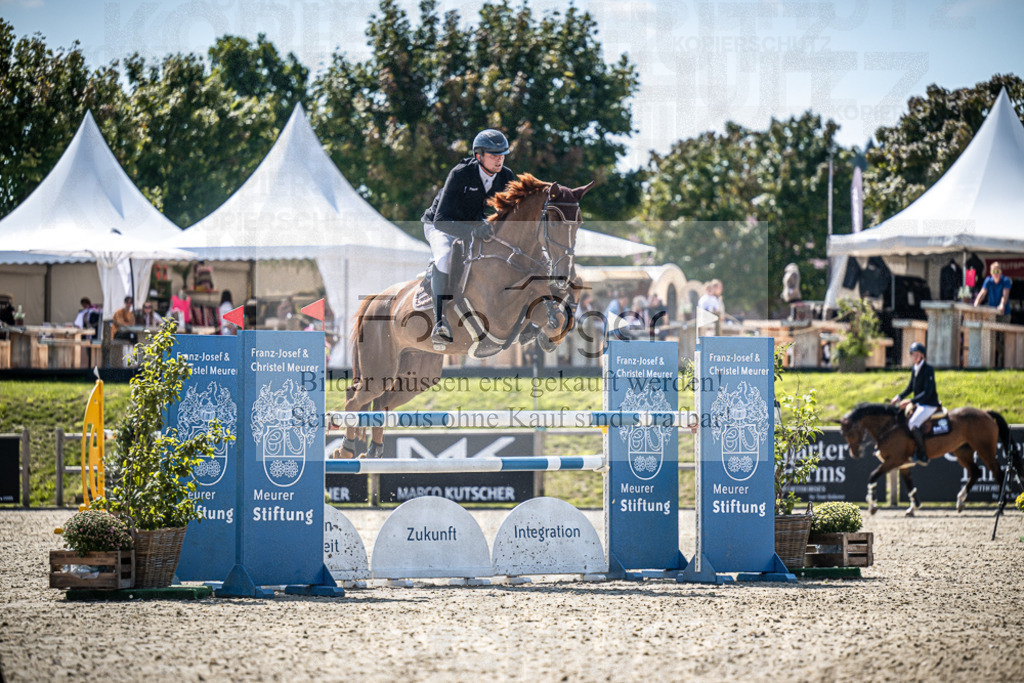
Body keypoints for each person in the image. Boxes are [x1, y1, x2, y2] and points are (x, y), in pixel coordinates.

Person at [420, 129, 516, 346]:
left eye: (502, 154)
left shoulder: (507, 177)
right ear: (478, 155)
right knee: (444, 257)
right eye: (493, 155)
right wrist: (473, 231)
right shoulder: (460, 174)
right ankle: (440, 321)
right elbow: (441, 220)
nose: (499, 159)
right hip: (441, 225)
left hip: (477, 227)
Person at [890, 341, 941, 465]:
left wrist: (910, 401)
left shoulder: (928, 369)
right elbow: (910, 388)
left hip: (929, 404)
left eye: (917, 354)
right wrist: (899, 397)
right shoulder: (914, 369)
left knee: (913, 423)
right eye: (913, 354)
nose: (915, 357)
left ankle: (922, 454)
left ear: (922, 355)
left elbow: (927, 392)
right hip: (920, 403)